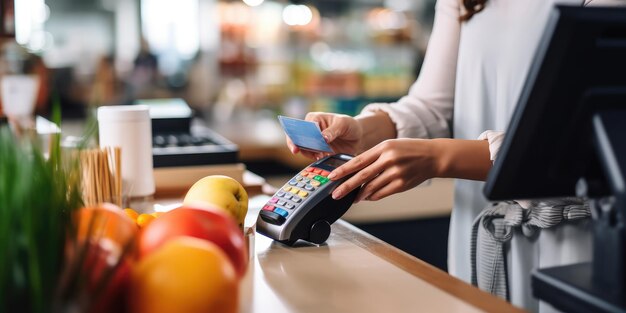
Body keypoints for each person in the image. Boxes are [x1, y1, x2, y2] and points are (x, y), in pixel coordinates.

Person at [286, 0, 622, 312]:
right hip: (477, 233)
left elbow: (593, 134)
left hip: (574, 242)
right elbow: (431, 106)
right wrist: (363, 130)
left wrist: (442, 157)